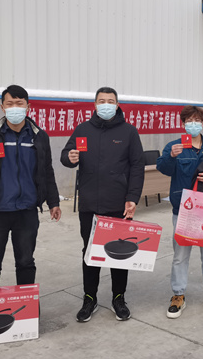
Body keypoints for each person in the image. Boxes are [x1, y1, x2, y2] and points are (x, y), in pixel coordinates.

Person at [0, 85, 62, 289]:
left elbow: (47, 171)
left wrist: (53, 201)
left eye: (19, 103)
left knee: (26, 262)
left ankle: (25, 304)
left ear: (28, 106)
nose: (14, 107)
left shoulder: (39, 136)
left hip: (26, 211)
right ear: (2, 107)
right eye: (10, 104)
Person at [61, 87, 144, 323]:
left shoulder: (128, 132)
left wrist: (132, 197)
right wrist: (70, 157)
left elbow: (137, 166)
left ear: (117, 105)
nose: (106, 104)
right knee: (90, 252)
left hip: (118, 204)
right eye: (101, 101)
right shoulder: (83, 130)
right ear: (95, 105)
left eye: (110, 101)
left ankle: (119, 298)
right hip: (89, 204)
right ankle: (90, 298)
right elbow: (66, 154)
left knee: (119, 253)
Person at [156, 105, 203, 319]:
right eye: (189, 121)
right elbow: (163, 168)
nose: (193, 124)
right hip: (184, 209)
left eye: (197, 120)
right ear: (183, 124)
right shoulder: (174, 146)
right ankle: (178, 294)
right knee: (180, 256)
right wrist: (171, 156)